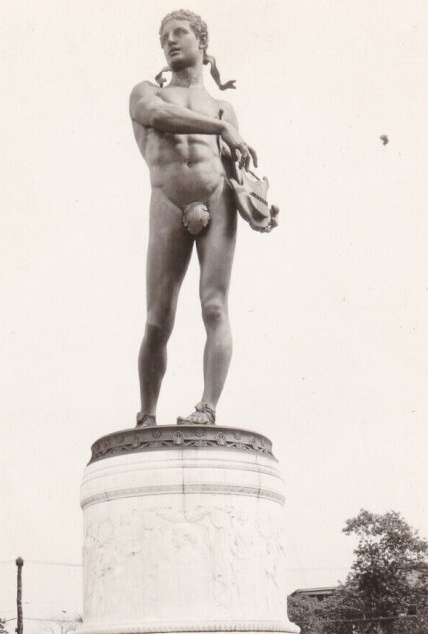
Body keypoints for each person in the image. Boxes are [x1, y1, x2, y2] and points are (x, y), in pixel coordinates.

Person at [130, 10, 269, 427]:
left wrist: (256, 201)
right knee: (158, 318)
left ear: (202, 43)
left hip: (217, 199)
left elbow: (235, 168)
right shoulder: (146, 92)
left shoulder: (224, 108)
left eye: (180, 33)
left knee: (214, 306)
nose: (171, 41)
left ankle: (207, 407)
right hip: (167, 200)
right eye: (164, 37)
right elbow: (158, 118)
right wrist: (221, 129)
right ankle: (147, 415)